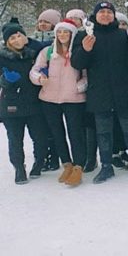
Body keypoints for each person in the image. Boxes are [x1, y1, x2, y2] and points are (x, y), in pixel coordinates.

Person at [71, 2, 128, 184]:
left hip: (123, 90)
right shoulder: (85, 36)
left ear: (114, 16)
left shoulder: (124, 35)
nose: (106, 15)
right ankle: (106, 166)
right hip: (99, 92)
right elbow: (77, 63)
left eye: (109, 12)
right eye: (102, 12)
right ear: (95, 15)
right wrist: (85, 49)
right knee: (103, 132)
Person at [29, 19, 87, 187]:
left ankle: (78, 166)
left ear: (72, 34)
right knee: (57, 133)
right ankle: (66, 164)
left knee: (75, 133)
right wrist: (39, 78)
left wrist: (79, 87)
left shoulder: (77, 52)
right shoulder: (47, 52)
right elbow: (35, 70)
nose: (62, 35)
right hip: (49, 98)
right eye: (59, 32)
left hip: (73, 99)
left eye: (66, 32)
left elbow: (86, 76)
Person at [1, 23, 50, 184]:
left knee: (40, 137)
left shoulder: (33, 53)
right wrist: (5, 80)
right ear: (7, 41)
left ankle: (39, 163)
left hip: (34, 103)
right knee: (15, 139)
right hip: (12, 104)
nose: (17, 40)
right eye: (12, 38)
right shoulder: (2, 57)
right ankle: (19, 168)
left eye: (19, 35)